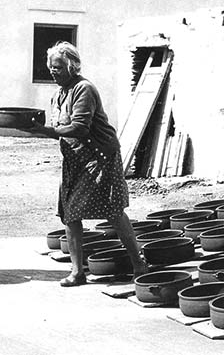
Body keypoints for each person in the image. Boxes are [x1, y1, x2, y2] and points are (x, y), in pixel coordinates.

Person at [20, 41, 146, 286]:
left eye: (58, 67)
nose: (53, 71)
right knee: (69, 213)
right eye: (51, 67)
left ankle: (139, 263)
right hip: (75, 159)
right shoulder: (59, 94)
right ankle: (77, 272)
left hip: (99, 157)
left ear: (72, 66)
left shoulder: (83, 89)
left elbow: (79, 127)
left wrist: (45, 131)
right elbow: (61, 126)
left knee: (113, 212)